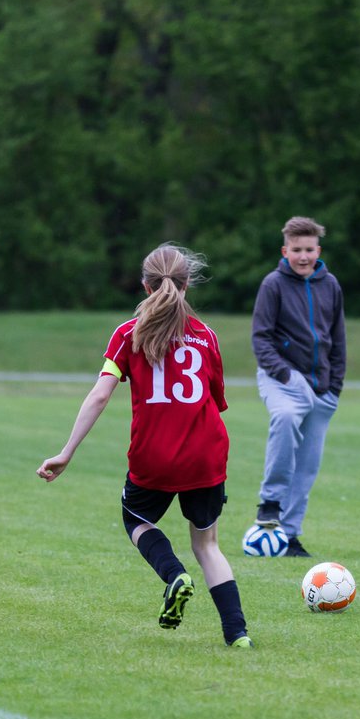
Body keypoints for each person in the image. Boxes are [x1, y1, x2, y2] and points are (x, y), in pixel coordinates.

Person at [37, 244, 250, 648]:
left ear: (144, 285)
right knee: (207, 544)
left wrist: (67, 451)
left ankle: (174, 575)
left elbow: (99, 396)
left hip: (153, 456)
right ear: (187, 285)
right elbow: (216, 401)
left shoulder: (128, 333)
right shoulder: (206, 336)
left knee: (136, 520)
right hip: (206, 455)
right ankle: (237, 634)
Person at [251, 216, 346, 558]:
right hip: (282, 379)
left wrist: (334, 386)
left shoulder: (330, 284)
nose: (303, 256)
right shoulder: (272, 285)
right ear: (285, 250)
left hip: (322, 388)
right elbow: (260, 339)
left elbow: (338, 338)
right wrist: (286, 374)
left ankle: (288, 536)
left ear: (317, 251)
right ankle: (270, 502)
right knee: (287, 417)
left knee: (307, 466)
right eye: (296, 250)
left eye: (309, 250)